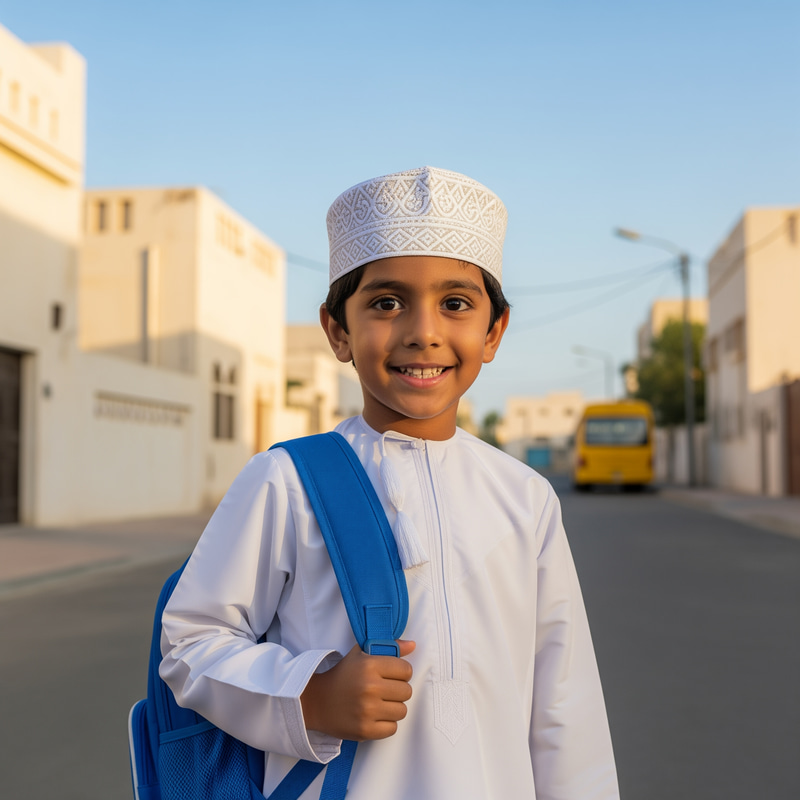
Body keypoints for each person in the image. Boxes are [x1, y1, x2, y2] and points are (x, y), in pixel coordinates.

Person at [160, 166, 620, 799]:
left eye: (455, 304)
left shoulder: (524, 496)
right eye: (386, 303)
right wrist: (310, 696)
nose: (423, 332)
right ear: (338, 330)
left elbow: (564, 703)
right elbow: (191, 641)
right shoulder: (287, 480)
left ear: (493, 332)